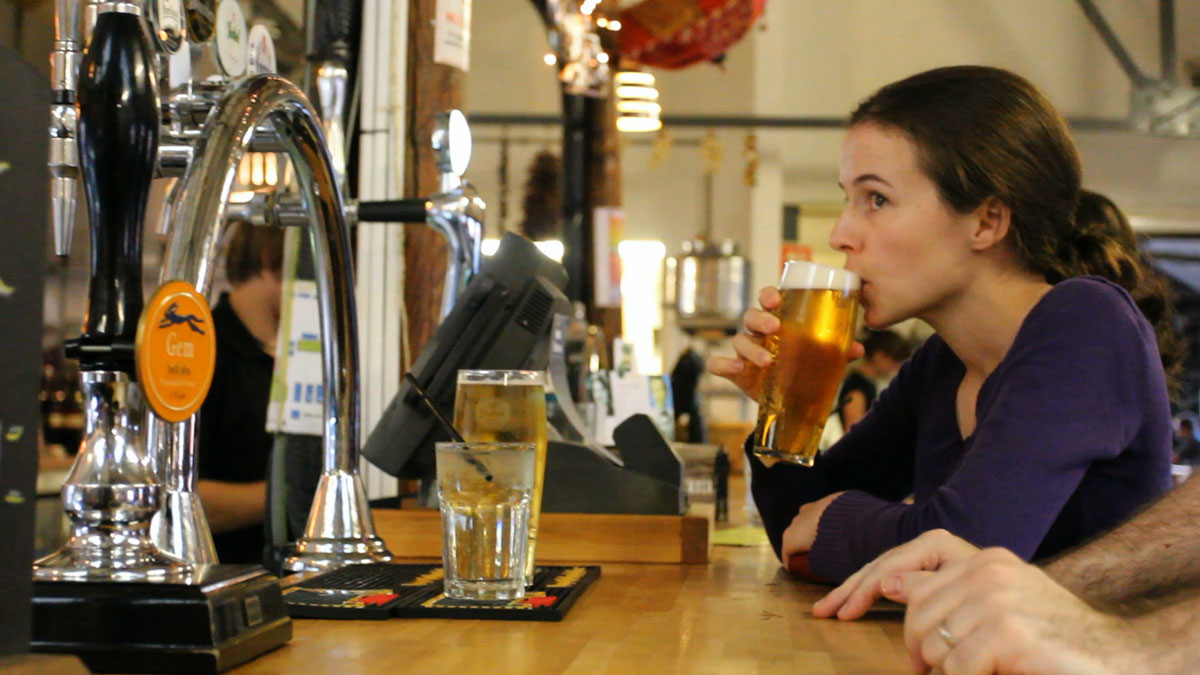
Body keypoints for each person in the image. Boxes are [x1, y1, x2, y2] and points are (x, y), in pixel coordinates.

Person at [707, 66, 1181, 585]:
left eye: (877, 199)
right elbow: (793, 531)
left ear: (986, 221)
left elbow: (969, 550)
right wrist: (786, 408)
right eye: (848, 198)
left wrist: (845, 523)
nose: (842, 233)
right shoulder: (943, 363)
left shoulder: (1087, 325)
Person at [811, 472, 1200, 673]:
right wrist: (1042, 593)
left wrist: (1132, 651)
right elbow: (805, 498)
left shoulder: (1083, 334)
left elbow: (971, 524)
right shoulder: (938, 364)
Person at [196, 221, 284, 564]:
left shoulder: (296, 354)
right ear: (267, 260)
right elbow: (184, 498)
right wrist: (291, 497)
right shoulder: (204, 350)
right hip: (225, 579)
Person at [836, 329, 911, 430]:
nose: (897, 367)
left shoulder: (867, 384)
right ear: (879, 356)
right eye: (896, 361)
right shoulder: (857, 388)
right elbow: (853, 432)